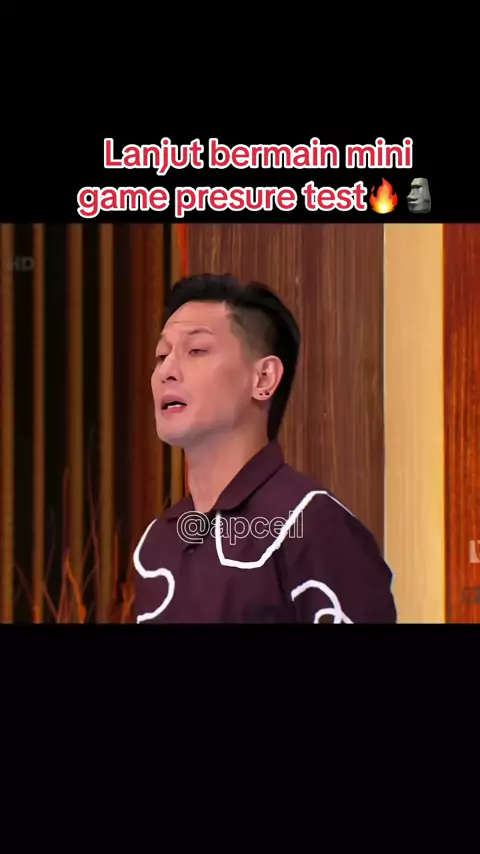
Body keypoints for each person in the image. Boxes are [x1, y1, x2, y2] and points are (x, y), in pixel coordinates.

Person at [133, 273, 397, 624]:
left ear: (264, 378)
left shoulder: (311, 523)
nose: (167, 370)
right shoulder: (157, 544)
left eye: (196, 350)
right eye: (161, 355)